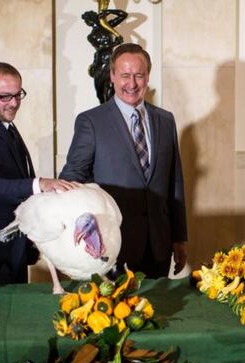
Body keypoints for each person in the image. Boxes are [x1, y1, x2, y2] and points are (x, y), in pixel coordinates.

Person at [60, 43, 187, 279]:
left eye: (139, 75)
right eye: (125, 75)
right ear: (112, 76)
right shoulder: (91, 122)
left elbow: (174, 182)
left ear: (148, 76)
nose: (132, 83)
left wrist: (179, 238)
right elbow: (71, 178)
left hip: (158, 245)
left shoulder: (166, 120)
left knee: (159, 311)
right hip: (112, 245)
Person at [0, 62, 75, 285]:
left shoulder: (1, 123)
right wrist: (40, 184)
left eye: (18, 95)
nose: (14, 103)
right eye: (5, 96)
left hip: (10, 248)